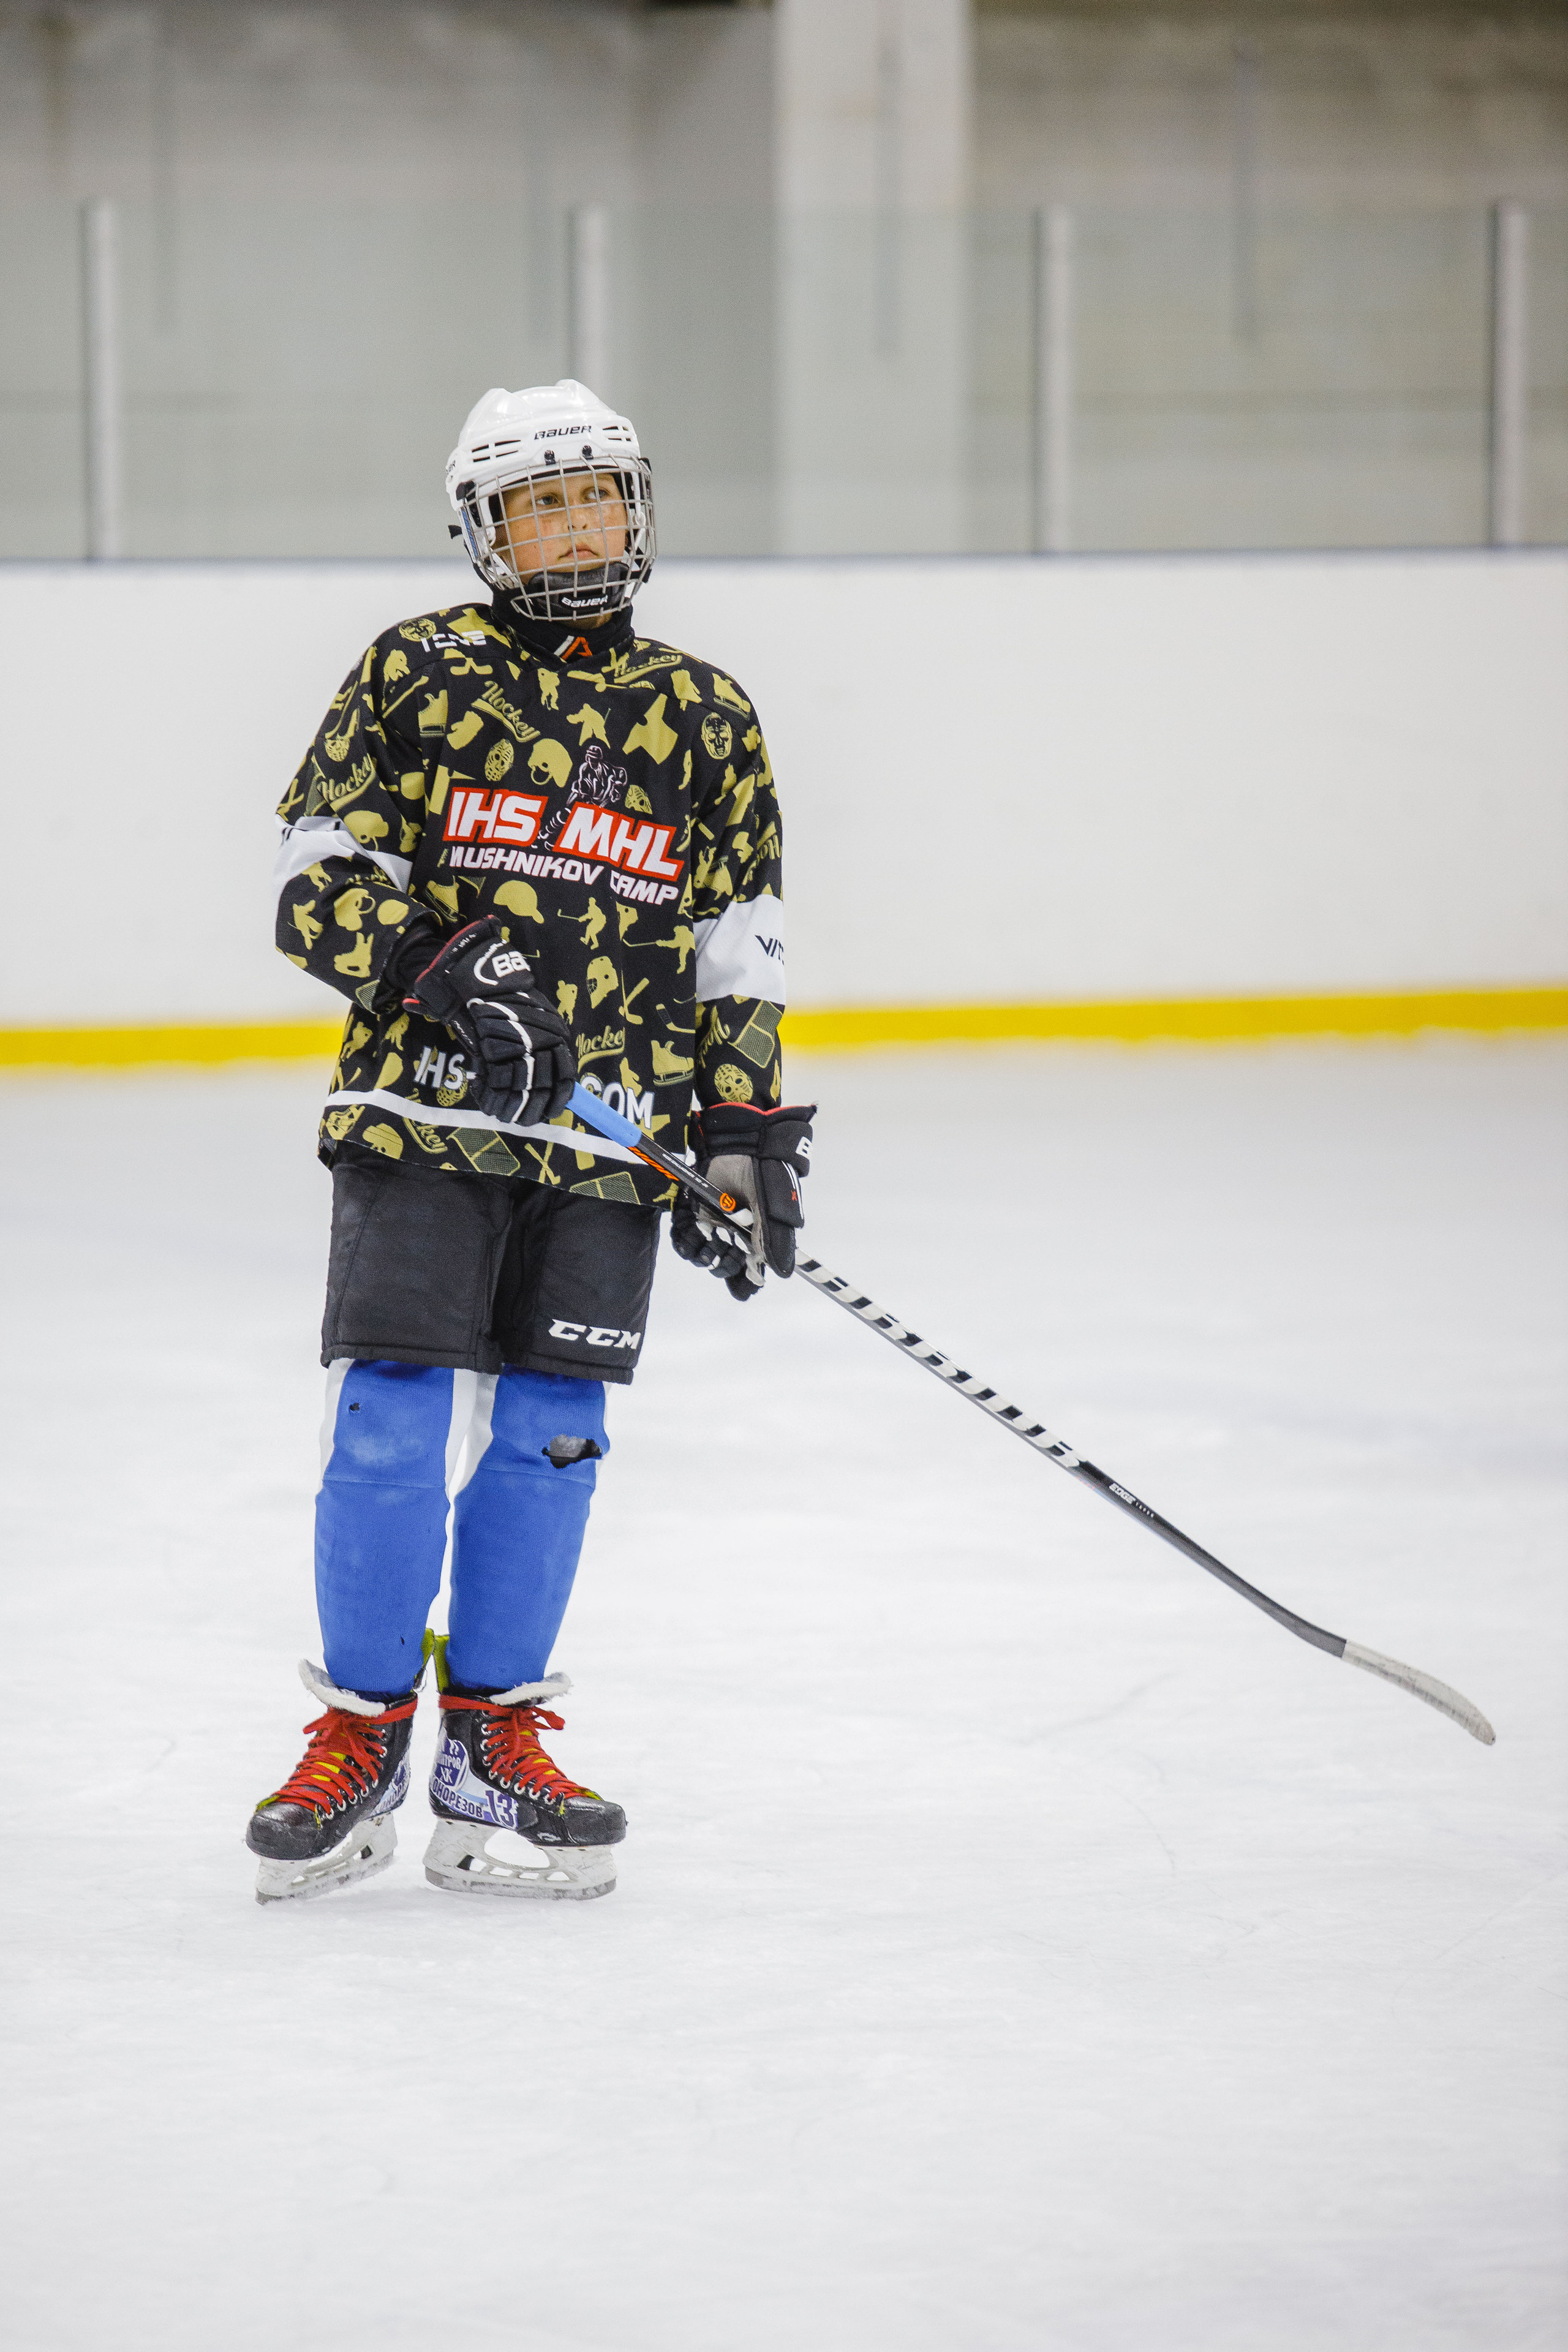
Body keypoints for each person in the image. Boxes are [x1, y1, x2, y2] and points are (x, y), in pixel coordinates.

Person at [247, 379, 815, 1905]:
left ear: (638, 510)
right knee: (387, 1416)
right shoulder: (416, 671)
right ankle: (359, 1733)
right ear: (482, 528)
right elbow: (315, 881)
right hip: (427, 1114)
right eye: (537, 503)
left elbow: (735, 946)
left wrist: (743, 1128)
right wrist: (442, 966)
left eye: (597, 495)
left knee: (557, 1432)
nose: (575, 523)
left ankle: (489, 1742)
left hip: (610, 1143)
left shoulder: (705, 713)